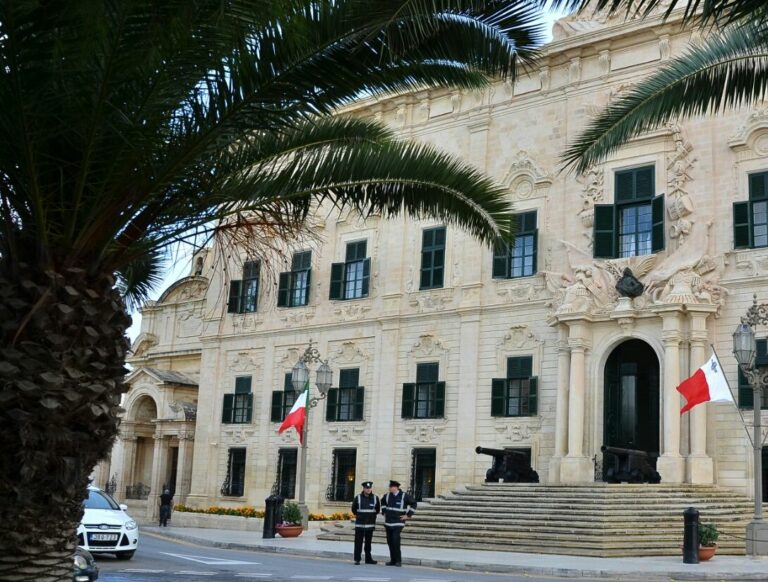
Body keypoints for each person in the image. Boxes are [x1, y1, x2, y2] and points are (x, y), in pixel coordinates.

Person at [380, 480, 416, 567]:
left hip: (398, 522)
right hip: (388, 522)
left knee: (395, 540)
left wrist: (408, 515)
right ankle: (392, 560)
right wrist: (384, 511)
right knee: (390, 541)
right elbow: (383, 502)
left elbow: (414, 503)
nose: (389, 488)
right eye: (389, 487)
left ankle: (398, 561)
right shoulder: (387, 496)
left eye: (391, 487)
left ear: (396, 487)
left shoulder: (404, 496)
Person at [350, 480, 380, 565]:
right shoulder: (358, 498)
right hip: (360, 525)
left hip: (370, 525)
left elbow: (377, 510)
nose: (368, 489)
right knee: (358, 543)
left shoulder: (375, 498)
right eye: (366, 488)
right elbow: (353, 509)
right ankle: (357, 559)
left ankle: (368, 559)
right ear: (363, 489)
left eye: (369, 488)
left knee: (368, 544)